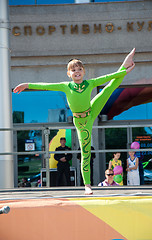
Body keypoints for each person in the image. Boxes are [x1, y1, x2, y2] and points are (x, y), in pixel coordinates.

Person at [13, 49, 135, 194]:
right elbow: (45, 85)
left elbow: (108, 77)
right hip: (82, 122)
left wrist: (123, 71)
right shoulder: (66, 86)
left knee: (108, 88)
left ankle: (125, 62)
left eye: (79, 69)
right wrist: (27, 84)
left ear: (84, 72)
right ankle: (87, 185)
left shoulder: (90, 83)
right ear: (69, 74)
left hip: (92, 109)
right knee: (85, 152)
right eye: (73, 70)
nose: (77, 71)